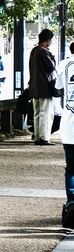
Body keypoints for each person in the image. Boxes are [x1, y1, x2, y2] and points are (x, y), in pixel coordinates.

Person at [28, 28, 58, 145]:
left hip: (34, 87)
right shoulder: (44, 52)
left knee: (37, 113)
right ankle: (44, 137)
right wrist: (52, 56)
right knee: (46, 112)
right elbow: (51, 67)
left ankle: (37, 136)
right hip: (44, 87)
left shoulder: (34, 51)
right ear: (48, 40)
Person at [58, 42, 74, 214]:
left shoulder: (64, 65)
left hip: (69, 128)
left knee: (71, 168)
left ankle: (72, 203)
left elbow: (58, 88)